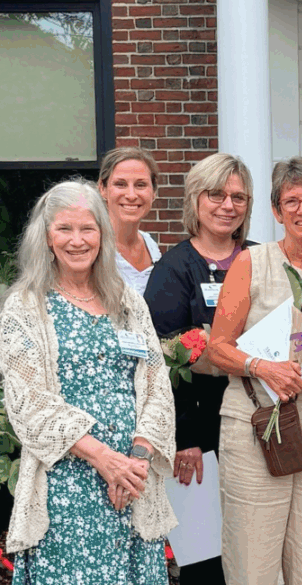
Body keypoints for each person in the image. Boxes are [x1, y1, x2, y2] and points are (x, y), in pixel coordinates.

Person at [0, 180, 177, 584]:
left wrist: (137, 459)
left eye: (88, 228)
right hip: (66, 491)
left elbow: (156, 385)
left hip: (132, 486)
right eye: (65, 229)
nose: (77, 240)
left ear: (103, 234)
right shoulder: (25, 307)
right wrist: (102, 458)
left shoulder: (128, 302)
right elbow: (29, 403)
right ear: (45, 237)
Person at [208, 157, 302, 585]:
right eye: (291, 201)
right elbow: (217, 348)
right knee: (252, 560)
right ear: (276, 211)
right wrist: (261, 367)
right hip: (255, 426)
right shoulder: (251, 263)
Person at [144, 153, 256, 584]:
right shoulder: (173, 269)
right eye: (216, 195)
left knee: (251, 553)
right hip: (199, 434)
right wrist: (184, 439)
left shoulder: (261, 257)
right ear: (195, 200)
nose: (227, 205)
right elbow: (161, 364)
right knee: (205, 557)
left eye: (238, 197)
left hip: (257, 425)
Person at [98, 147, 163, 295]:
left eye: (140, 185)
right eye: (120, 184)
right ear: (102, 188)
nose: (131, 195)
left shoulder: (152, 247)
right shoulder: (92, 247)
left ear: (154, 192)